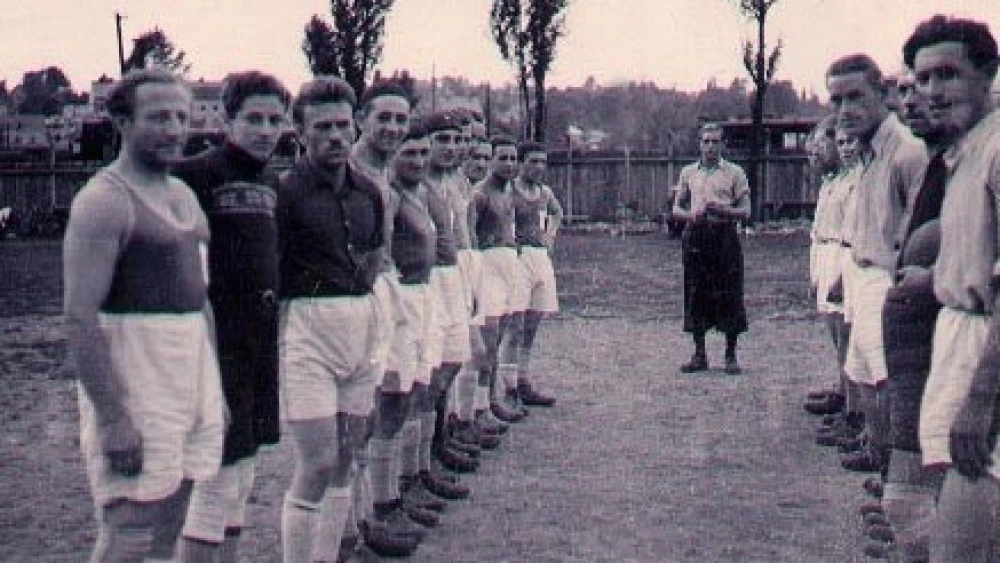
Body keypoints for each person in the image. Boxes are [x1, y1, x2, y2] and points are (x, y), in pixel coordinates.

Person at [63, 68, 225, 562]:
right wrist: (113, 418)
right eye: (158, 117)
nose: (175, 128)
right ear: (122, 121)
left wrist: (212, 391)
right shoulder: (104, 201)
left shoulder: (184, 196)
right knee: (131, 527)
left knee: (169, 524)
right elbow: (79, 316)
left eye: (182, 116)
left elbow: (201, 300)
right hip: (138, 375)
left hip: (190, 374)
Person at [276, 76, 407, 563]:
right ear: (300, 131)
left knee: (347, 457)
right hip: (308, 333)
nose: (335, 136)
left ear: (354, 126)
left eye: (342, 125)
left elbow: (375, 258)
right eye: (322, 127)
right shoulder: (285, 194)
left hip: (361, 327)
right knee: (317, 463)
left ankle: (330, 554)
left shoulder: (368, 193)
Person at [170, 70, 290, 563]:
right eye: (254, 119)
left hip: (259, 341)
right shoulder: (195, 175)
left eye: (275, 120)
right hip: (215, 341)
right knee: (217, 470)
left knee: (245, 469)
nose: (265, 130)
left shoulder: (270, 180)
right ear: (226, 118)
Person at [899, 15, 1000, 562]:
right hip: (955, 344)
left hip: (988, 358)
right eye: (922, 79)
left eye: (947, 75)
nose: (932, 92)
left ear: (987, 75)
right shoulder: (963, 152)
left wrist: (981, 402)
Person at [826, 53, 927, 475]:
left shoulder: (905, 151)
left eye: (855, 97)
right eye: (836, 101)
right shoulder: (865, 154)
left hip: (890, 284)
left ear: (883, 93)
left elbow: (922, 233)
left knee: (892, 385)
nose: (845, 111)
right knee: (865, 376)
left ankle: (901, 487)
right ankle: (883, 472)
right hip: (861, 276)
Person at [671, 122, 750, 375]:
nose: (710, 147)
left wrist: (725, 210)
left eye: (715, 142)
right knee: (696, 293)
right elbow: (675, 209)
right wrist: (690, 215)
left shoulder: (735, 173)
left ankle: (730, 355)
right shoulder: (688, 173)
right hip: (696, 237)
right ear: (699, 143)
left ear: (723, 144)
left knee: (729, 292)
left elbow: (746, 211)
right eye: (706, 141)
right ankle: (699, 354)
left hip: (724, 236)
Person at [470, 135, 531, 423]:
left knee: (507, 332)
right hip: (487, 268)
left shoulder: (508, 193)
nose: (508, 164)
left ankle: (492, 400)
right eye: (502, 158)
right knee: (487, 341)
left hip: (508, 266)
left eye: (512, 159)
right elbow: (470, 237)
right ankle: (477, 408)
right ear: (490, 159)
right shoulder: (479, 194)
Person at [509, 140, 563, 407]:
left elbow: (557, 212)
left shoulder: (544, 192)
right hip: (516, 259)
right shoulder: (510, 190)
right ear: (520, 163)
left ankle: (522, 378)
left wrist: (550, 236)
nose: (538, 167)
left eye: (542, 162)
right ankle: (507, 387)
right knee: (514, 324)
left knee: (532, 322)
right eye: (532, 161)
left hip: (539, 258)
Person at [804, 115, 850, 420]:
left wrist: (838, 275)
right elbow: (819, 230)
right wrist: (815, 274)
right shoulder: (829, 182)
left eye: (823, 144)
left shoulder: (852, 181)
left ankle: (852, 402)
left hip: (841, 255)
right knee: (834, 331)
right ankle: (843, 388)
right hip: (824, 253)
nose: (818, 153)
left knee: (845, 330)